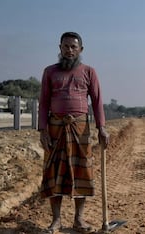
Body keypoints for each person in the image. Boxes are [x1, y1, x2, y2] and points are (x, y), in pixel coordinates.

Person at [38, 32, 109, 233]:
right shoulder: (49, 72)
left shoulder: (89, 72)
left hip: (81, 128)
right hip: (55, 128)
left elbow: (96, 101)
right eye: (66, 46)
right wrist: (42, 130)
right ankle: (56, 220)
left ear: (81, 50)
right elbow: (43, 103)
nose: (69, 50)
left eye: (73, 47)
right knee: (55, 173)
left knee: (82, 172)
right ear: (59, 48)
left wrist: (102, 128)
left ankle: (79, 220)